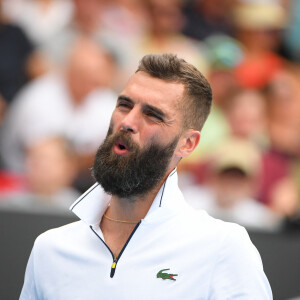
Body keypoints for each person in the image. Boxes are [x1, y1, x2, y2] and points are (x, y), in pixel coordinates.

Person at [20, 53, 272, 299]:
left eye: (152, 115)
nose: (127, 121)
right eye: (124, 105)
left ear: (187, 144)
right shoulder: (50, 249)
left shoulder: (223, 248)